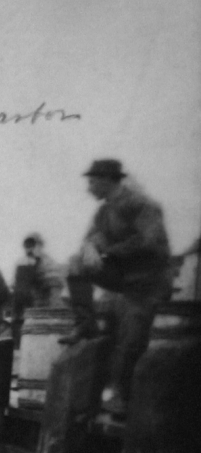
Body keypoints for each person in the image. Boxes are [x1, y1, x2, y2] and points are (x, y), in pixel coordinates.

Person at [65, 159, 172, 415]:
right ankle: (85, 322)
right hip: (124, 278)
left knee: (132, 341)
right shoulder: (103, 211)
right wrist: (90, 246)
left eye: (92, 182)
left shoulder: (141, 204)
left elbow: (149, 241)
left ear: (107, 180)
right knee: (75, 266)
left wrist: (107, 254)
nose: (88, 188)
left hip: (149, 281)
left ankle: (125, 401)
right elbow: (90, 239)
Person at [11, 234, 64, 347]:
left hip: (46, 313)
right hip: (35, 313)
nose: (29, 250)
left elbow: (54, 293)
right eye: (27, 246)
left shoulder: (47, 263)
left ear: (39, 246)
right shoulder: (29, 263)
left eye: (32, 246)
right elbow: (19, 289)